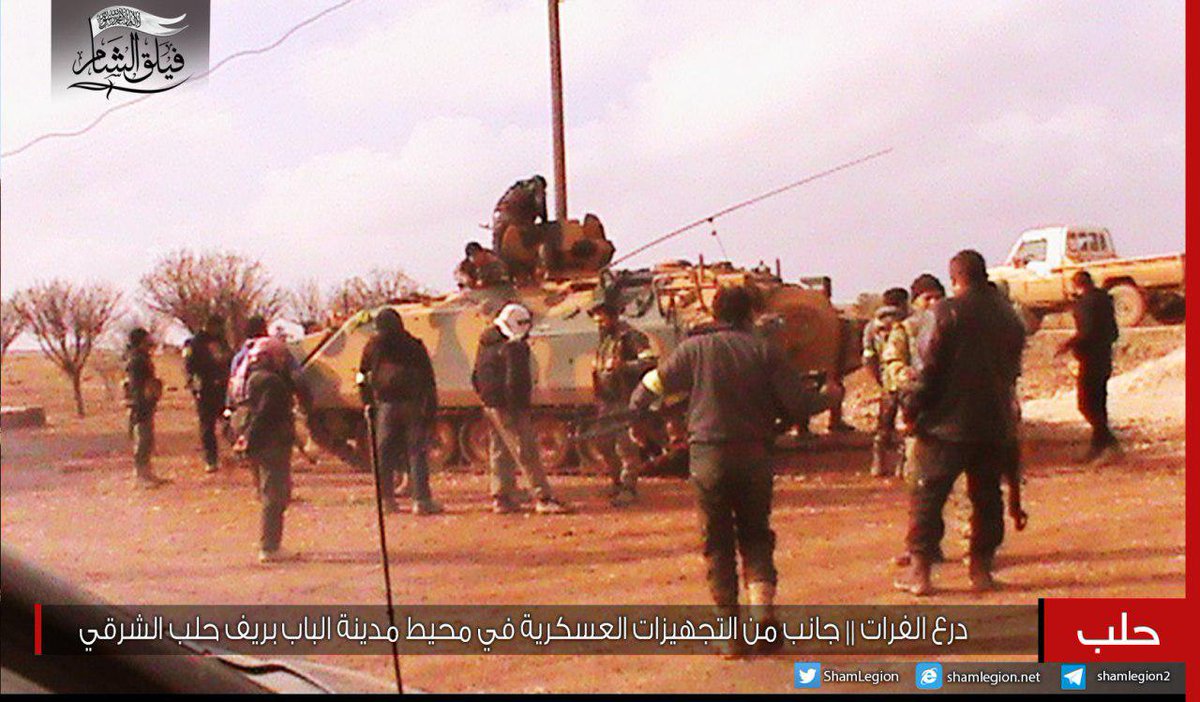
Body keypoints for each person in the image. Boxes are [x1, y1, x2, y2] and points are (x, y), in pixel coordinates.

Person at [631, 286, 834, 655]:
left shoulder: (692, 350)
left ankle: (729, 635)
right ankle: (765, 624)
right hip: (755, 456)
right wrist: (831, 396)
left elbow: (649, 387)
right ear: (749, 315)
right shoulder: (766, 351)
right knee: (756, 536)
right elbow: (799, 404)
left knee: (717, 542)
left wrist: (640, 420)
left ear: (715, 313)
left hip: (708, 458)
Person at [894, 250, 1026, 596]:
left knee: (927, 497)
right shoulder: (1010, 317)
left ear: (955, 278)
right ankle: (981, 571)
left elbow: (926, 370)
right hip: (993, 422)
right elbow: (1012, 370)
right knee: (986, 498)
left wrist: (911, 408)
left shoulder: (944, 313)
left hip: (944, 427)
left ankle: (921, 575)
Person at [472, 303, 574, 515]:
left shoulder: (485, 342)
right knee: (526, 450)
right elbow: (515, 380)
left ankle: (502, 496)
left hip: (490, 404)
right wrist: (519, 406)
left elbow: (475, 376)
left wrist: (485, 397)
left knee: (499, 450)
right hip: (510, 406)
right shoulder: (514, 347)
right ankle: (543, 497)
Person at [358, 308, 444, 516]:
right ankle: (421, 501)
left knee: (384, 454)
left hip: (385, 405)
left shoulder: (373, 346)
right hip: (412, 404)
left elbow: (362, 376)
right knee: (416, 453)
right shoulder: (414, 345)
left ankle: (386, 500)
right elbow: (428, 379)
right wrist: (430, 409)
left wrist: (367, 401)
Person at [589, 288, 657, 506]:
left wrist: (625, 366)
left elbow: (649, 362)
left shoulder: (631, 336)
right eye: (596, 316)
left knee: (625, 447)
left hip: (624, 398)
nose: (599, 320)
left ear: (612, 315)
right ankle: (617, 483)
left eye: (602, 315)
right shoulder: (605, 339)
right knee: (603, 444)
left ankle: (629, 488)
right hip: (606, 400)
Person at [235, 337, 298, 564]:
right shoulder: (272, 383)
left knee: (271, 492)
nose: (283, 361)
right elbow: (267, 415)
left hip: (261, 443)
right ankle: (270, 546)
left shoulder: (252, 379)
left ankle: (271, 544)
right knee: (275, 494)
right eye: (280, 356)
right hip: (272, 444)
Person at [1056, 270, 1121, 463]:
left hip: (1090, 359)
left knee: (1086, 404)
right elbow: (1113, 332)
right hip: (1104, 357)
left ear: (1077, 285)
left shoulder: (1085, 304)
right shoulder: (1104, 300)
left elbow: (1086, 331)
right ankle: (1100, 445)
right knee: (1099, 403)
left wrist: (1067, 345)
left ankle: (1108, 442)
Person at [184, 315, 232, 473]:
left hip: (223, 389)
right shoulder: (196, 343)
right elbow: (190, 368)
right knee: (207, 426)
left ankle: (239, 452)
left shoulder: (222, 341)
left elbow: (229, 360)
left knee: (229, 420)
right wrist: (195, 386)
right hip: (205, 390)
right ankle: (211, 459)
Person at [867, 296, 908, 477]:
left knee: (884, 425)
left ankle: (878, 464)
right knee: (905, 425)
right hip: (905, 380)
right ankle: (902, 467)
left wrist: (878, 380)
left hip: (887, 381)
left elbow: (868, 356)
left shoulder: (872, 326)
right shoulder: (907, 323)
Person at [123, 327, 166, 488]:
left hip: (145, 404)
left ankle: (147, 473)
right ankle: (140, 476)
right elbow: (137, 386)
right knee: (142, 440)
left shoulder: (141, 358)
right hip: (140, 405)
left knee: (147, 440)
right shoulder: (137, 361)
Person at [491, 175, 554, 278]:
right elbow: (540, 203)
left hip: (499, 218)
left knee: (499, 247)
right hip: (516, 218)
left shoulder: (517, 187)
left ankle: (502, 271)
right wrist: (544, 220)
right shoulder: (536, 186)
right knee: (535, 239)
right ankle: (536, 267)